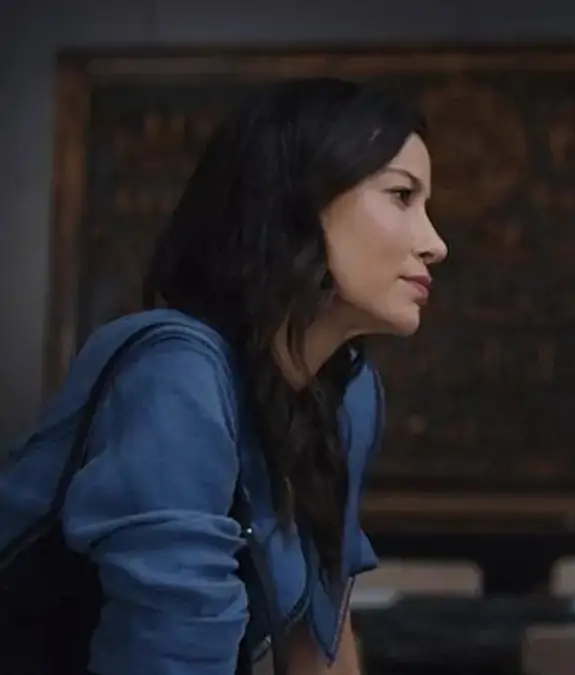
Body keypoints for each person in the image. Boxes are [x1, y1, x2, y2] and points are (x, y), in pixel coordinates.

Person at [0, 77, 447, 675]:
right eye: (401, 195)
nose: (436, 244)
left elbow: (317, 636)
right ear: (297, 200)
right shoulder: (175, 372)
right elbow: (171, 654)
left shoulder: (349, 396)